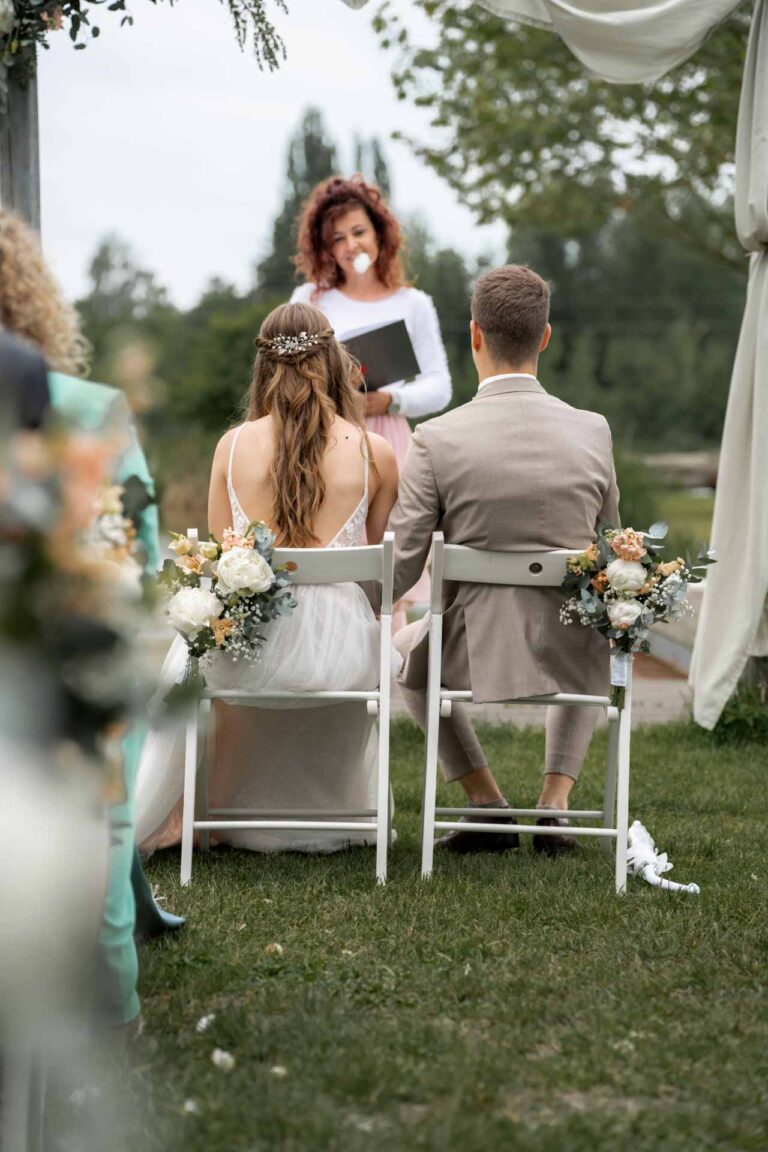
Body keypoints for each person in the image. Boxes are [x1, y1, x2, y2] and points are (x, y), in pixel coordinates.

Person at [0, 210, 180, 1037]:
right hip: (67, 661)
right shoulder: (95, 406)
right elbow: (139, 553)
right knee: (107, 808)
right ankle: (114, 1006)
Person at [135, 301, 399, 854]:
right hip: (343, 657)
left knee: (193, 649)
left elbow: (216, 558)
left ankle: (191, 813)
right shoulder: (376, 452)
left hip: (250, 651)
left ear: (262, 367)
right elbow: (375, 574)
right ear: (333, 362)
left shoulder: (232, 447)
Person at [389, 264, 620, 854]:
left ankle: (486, 802)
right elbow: (614, 552)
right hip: (575, 648)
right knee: (593, 623)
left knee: (405, 655)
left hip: (469, 649)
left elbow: (402, 566)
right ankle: (554, 803)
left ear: (473, 336)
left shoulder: (436, 438)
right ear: (544, 337)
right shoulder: (594, 430)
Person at [290, 175, 451, 630]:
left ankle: (387, 680)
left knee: (389, 556)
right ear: (325, 247)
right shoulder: (310, 299)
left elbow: (440, 386)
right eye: (337, 237)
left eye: (358, 231)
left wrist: (390, 399)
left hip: (389, 436)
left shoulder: (413, 303)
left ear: (379, 233)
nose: (349, 244)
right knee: (330, 553)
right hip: (324, 434)